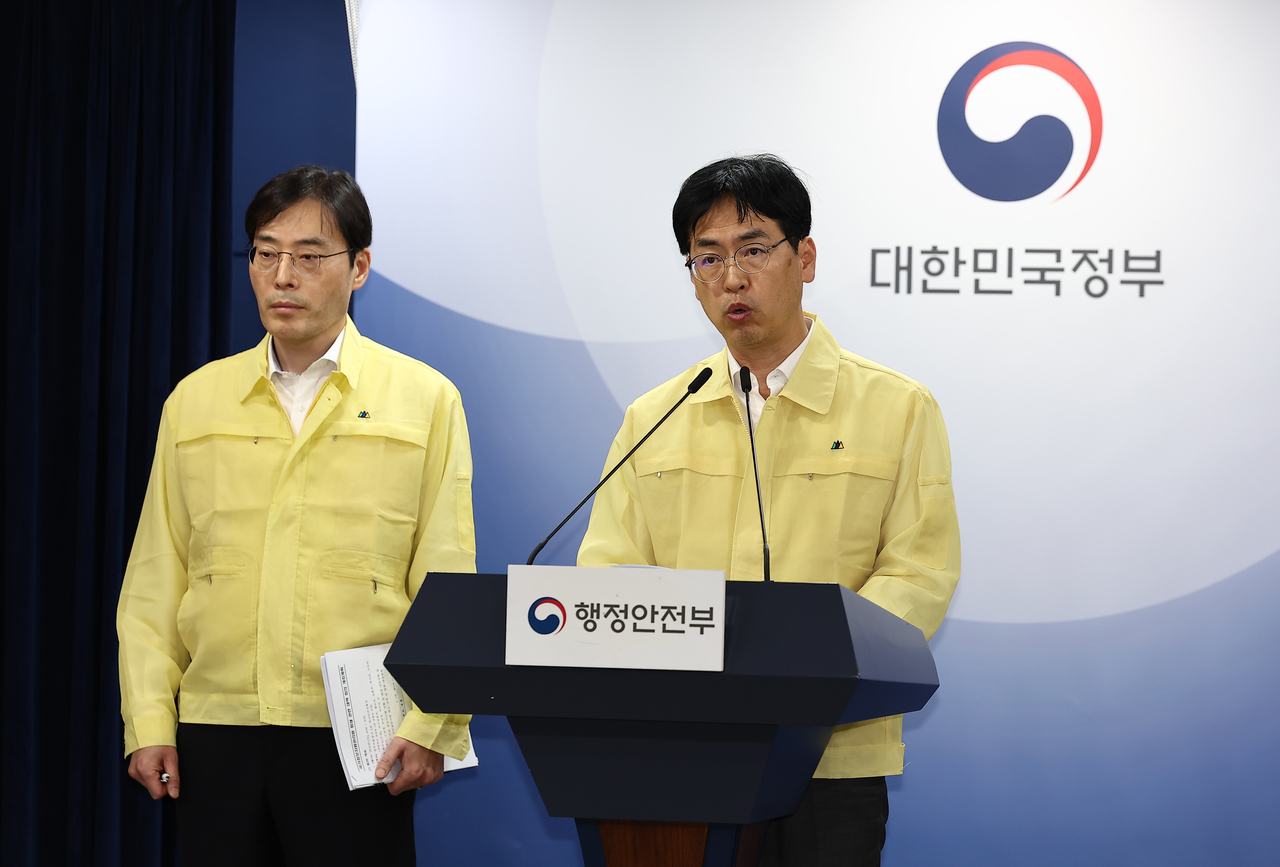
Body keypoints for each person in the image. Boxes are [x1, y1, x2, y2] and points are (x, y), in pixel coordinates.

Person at [578, 154, 960, 866]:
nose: (731, 277)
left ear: (804, 257)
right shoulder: (655, 416)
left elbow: (919, 573)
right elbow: (609, 571)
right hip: (687, 751)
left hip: (831, 755)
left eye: (753, 249)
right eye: (708, 258)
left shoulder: (897, 408)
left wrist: (809, 669)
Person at [116, 166, 475, 866]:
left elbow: (447, 575)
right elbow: (156, 578)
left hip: (360, 736)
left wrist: (433, 721)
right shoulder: (196, 401)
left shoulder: (424, 399)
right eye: (266, 253)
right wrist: (149, 719)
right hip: (216, 729)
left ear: (359, 267)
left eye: (310, 256)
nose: (283, 276)